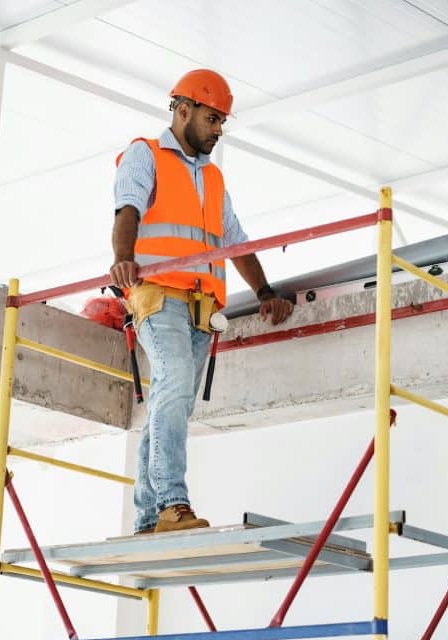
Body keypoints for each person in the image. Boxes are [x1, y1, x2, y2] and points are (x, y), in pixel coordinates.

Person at [109, 69, 294, 535]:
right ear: (184, 110)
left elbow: (234, 241)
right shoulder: (144, 155)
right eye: (213, 119)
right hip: (158, 297)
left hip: (202, 311)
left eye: (222, 122)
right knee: (172, 384)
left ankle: (150, 518)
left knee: (172, 403)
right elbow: (127, 208)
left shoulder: (212, 179)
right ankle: (173, 504)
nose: (218, 130)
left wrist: (264, 291)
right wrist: (123, 259)